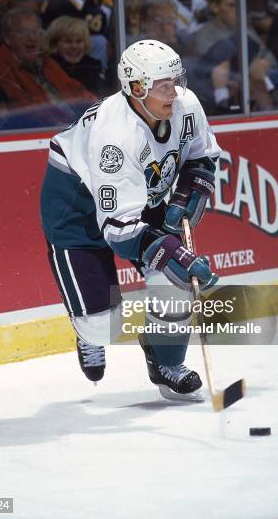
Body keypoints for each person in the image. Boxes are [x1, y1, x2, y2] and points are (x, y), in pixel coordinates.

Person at [40, 39, 220, 401]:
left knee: (172, 279)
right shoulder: (115, 136)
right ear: (136, 89)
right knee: (104, 327)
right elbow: (120, 231)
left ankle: (165, 362)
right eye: (163, 86)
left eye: (176, 81)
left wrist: (188, 194)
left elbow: (202, 158)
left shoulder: (186, 105)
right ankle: (88, 328)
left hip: (138, 194)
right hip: (76, 206)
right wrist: (176, 253)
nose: (175, 93)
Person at [0, 7, 94, 128]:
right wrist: (63, 125)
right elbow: (23, 106)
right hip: (48, 129)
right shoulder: (0, 62)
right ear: (7, 38)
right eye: (23, 32)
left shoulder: (45, 61)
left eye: (36, 32)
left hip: (74, 124)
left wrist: (101, 110)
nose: (32, 37)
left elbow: (76, 90)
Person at [45, 16, 106, 96]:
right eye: (68, 41)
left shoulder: (94, 67)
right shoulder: (47, 69)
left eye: (79, 41)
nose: (74, 46)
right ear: (54, 44)